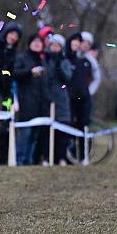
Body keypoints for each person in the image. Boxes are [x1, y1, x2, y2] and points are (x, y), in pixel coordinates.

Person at [0, 21, 22, 165]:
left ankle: (3, 159)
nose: (13, 37)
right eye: (12, 33)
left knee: (5, 126)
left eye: (17, 36)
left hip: (7, 96)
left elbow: (12, 75)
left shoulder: (13, 54)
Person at [13, 34, 49, 165]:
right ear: (29, 43)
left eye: (39, 41)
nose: (37, 43)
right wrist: (30, 72)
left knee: (35, 135)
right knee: (25, 134)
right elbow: (15, 73)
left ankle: (29, 161)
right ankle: (19, 160)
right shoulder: (22, 58)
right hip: (26, 103)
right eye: (34, 41)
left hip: (41, 104)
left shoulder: (43, 60)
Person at [44, 34, 73, 165]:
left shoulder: (64, 61)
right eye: (53, 45)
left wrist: (59, 65)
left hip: (61, 100)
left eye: (57, 46)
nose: (55, 48)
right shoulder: (45, 60)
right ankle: (47, 157)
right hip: (48, 99)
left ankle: (61, 157)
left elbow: (67, 78)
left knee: (62, 130)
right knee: (47, 131)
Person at [66, 32, 92, 161]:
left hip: (84, 100)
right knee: (69, 127)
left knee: (83, 128)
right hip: (70, 100)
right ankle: (69, 156)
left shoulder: (86, 62)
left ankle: (83, 156)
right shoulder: (66, 59)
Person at [80, 31, 101, 101]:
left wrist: (89, 92)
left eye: (88, 43)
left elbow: (97, 77)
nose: (85, 45)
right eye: (84, 42)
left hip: (84, 97)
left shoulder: (91, 61)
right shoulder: (72, 56)